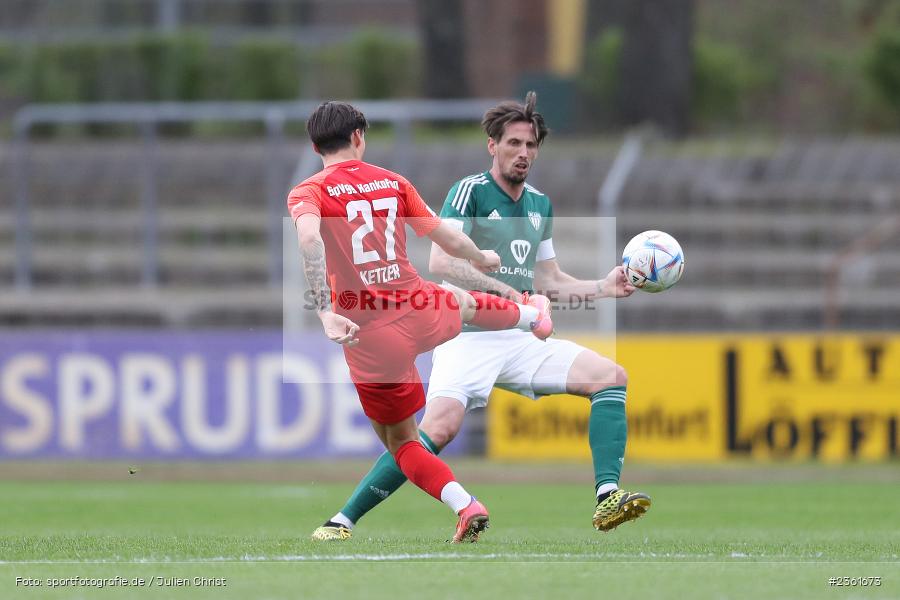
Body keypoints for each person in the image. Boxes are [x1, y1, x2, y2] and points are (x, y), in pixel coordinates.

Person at [312, 92, 649, 542]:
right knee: (437, 430)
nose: (522, 153)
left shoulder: (539, 205)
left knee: (610, 377)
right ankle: (344, 519)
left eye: (530, 145)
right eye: (513, 143)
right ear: (492, 145)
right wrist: (512, 296)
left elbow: (548, 280)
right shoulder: (470, 191)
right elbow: (443, 263)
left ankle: (607, 495)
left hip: (520, 336)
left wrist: (603, 288)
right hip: (468, 334)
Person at [291, 100, 553, 542]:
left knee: (404, 443)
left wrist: (323, 312)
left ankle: (465, 504)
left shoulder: (307, 192)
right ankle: (531, 315)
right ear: (359, 137)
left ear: (315, 144)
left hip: (370, 333)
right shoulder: (392, 181)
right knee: (458, 300)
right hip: (417, 304)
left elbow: (310, 238)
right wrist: (479, 255)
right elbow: (442, 233)